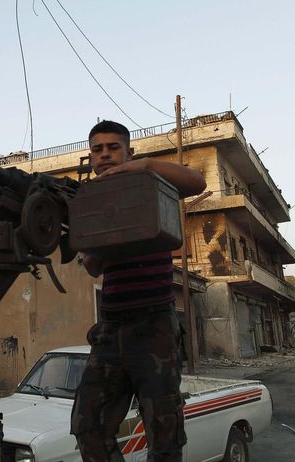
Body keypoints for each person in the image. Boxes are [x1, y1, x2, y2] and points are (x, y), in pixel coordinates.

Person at [70, 120, 206, 462]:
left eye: (113, 147)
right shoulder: (94, 201)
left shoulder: (151, 183)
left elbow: (198, 181)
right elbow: (93, 267)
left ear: (129, 151)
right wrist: (95, 243)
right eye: (98, 149)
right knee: (88, 426)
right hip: (111, 326)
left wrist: (144, 166)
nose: (105, 155)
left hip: (154, 324)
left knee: (164, 434)